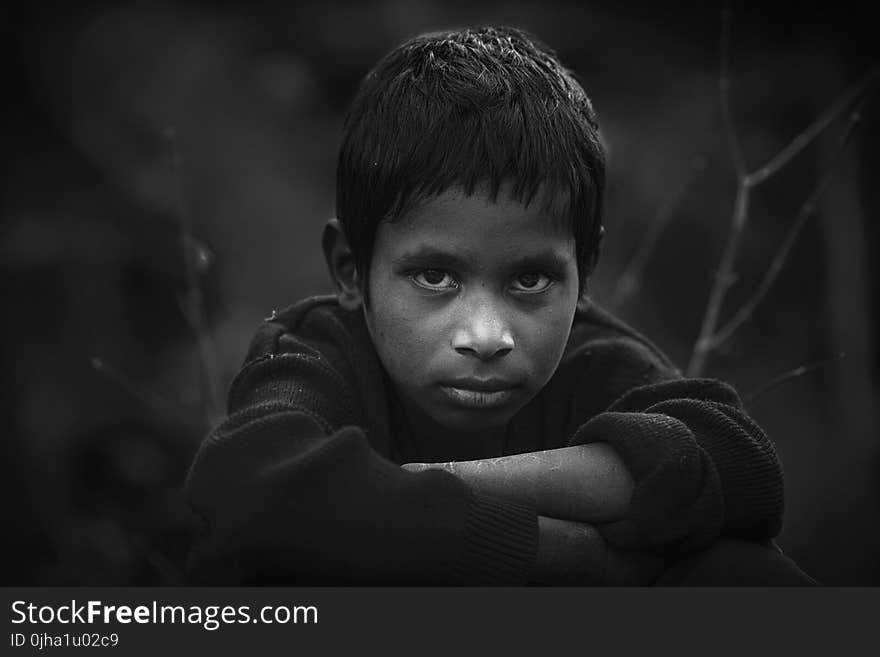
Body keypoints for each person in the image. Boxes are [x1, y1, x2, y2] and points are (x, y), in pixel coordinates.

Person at [184, 26, 815, 585]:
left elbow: (740, 466)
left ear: (584, 272)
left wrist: (412, 489)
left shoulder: (594, 361)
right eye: (434, 276)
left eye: (532, 280)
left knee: (735, 568)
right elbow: (251, 490)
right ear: (351, 269)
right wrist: (573, 554)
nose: (487, 336)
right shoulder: (315, 354)